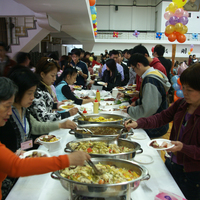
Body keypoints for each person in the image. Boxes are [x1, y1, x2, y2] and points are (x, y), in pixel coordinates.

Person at [0, 77, 90, 200]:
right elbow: (17, 166)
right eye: (7, 106)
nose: (10, 112)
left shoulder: (24, 110)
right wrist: (68, 160)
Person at [125, 63, 200, 200]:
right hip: (173, 164)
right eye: (183, 88)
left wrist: (184, 148)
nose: (184, 92)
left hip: (193, 174)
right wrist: (138, 123)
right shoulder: (182, 104)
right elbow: (161, 117)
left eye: (189, 90)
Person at [123, 53, 170, 138]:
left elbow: (148, 109)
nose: (136, 73)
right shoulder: (156, 73)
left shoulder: (150, 80)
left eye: (134, 69)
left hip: (154, 126)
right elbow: (149, 98)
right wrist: (136, 102)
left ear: (139, 65)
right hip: (159, 122)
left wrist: (130, 110)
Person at [29, 57, 78, 122]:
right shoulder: (37, 91)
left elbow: (44, 105)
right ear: (42, 74)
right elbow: (43, 117)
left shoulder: (45, 87)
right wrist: (67, 114)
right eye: (52, 76)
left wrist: (56, 105)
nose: (54, 79)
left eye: (55, 75)